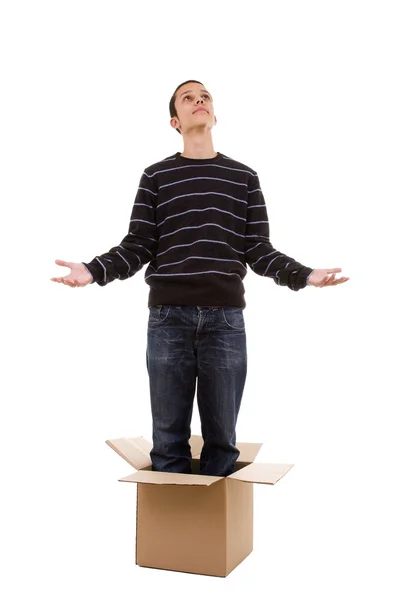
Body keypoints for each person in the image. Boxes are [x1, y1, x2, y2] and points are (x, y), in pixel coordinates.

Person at [51, 79, 349, 477]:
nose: (199, 101)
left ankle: (213, 534)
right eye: (188, 98)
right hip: (168, 319)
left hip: (225, 320)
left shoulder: (242, 177)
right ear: (175, 121)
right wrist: (92, 270)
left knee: (222, 440)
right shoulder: (156, 177)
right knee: (168, 439)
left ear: (214, 115)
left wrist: (303, 274)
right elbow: (138, 245)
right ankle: (174, 533)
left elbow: (258, 249)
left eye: (205, 96)